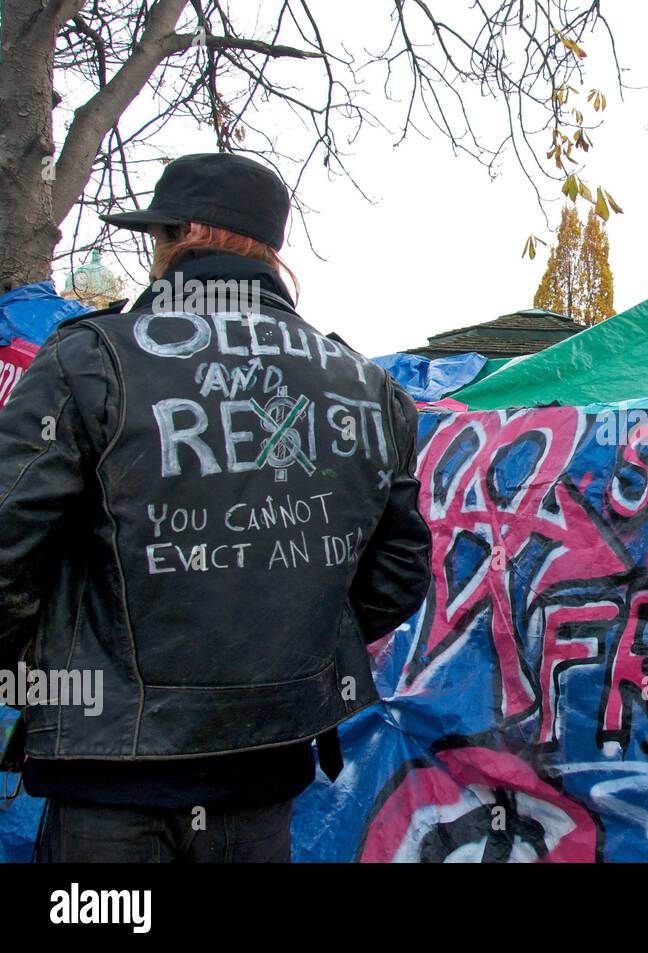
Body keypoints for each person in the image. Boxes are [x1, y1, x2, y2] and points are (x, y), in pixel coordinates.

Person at [0, 153, 432, 862]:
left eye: (157, 237)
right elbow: (399, 571)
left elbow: (7, 547)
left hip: (109, 778)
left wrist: (48, 667)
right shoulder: (365, 386)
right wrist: (293, 639)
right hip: (265, 770)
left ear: (187, 233)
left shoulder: (92, 358)